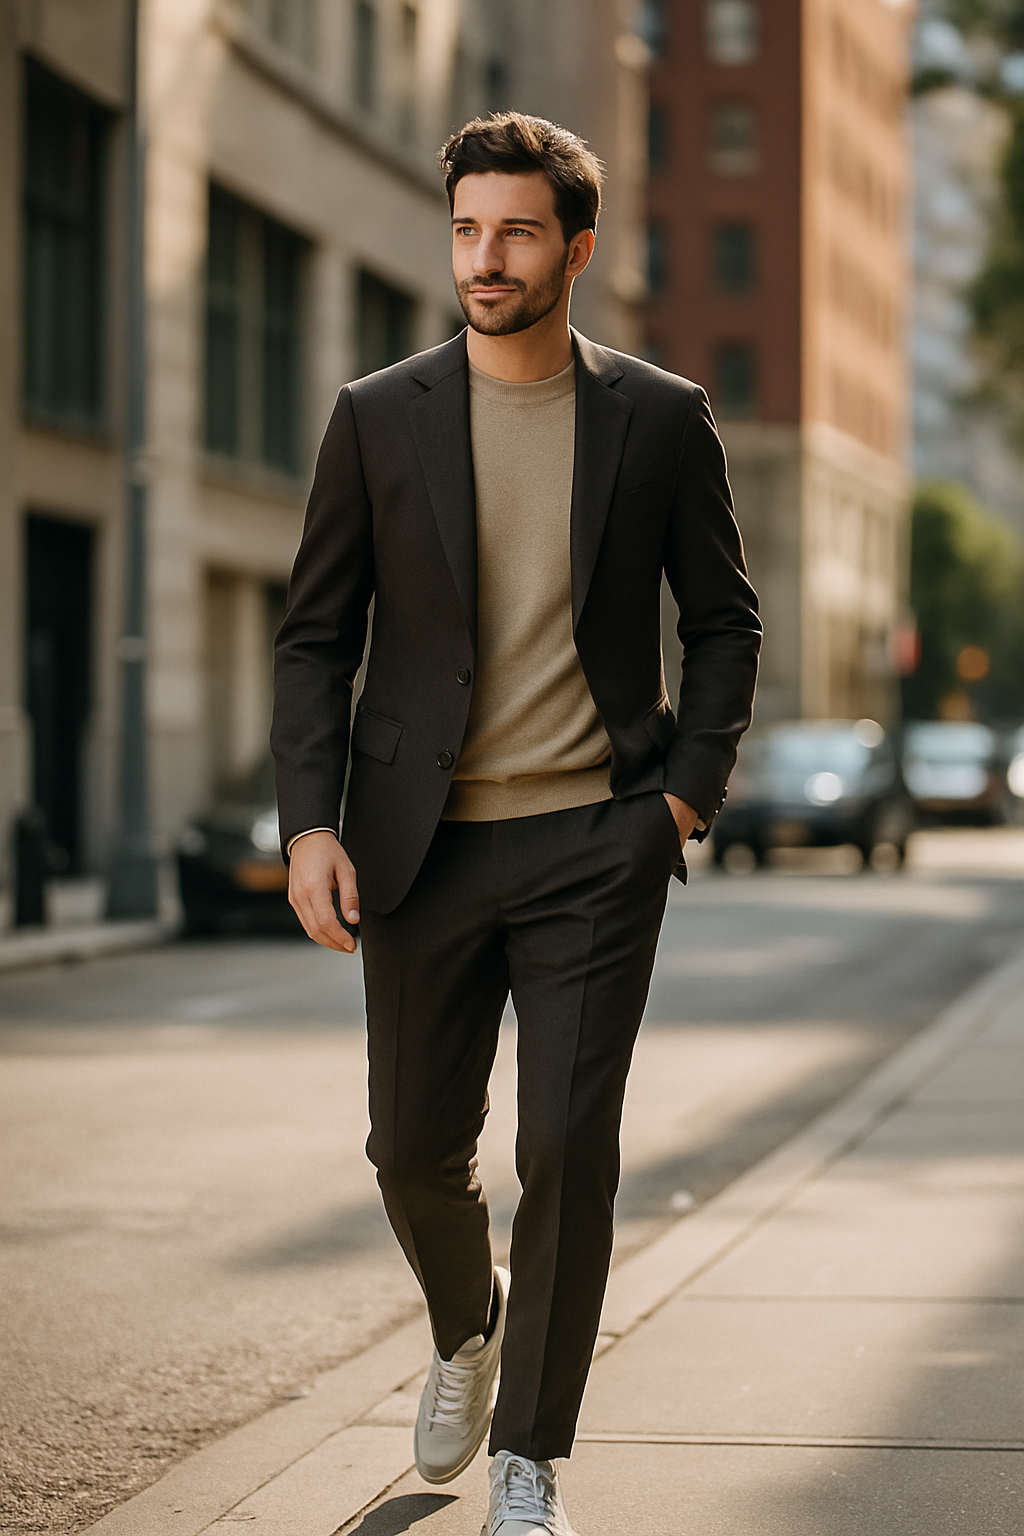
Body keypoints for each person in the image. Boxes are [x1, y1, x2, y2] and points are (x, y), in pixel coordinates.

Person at [271, 111, 761, 1536]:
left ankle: (530, 1458)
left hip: (597, 845)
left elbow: (723, 622)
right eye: (469, 231)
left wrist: (681, 795)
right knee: (410, 1151)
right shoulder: (379, 415)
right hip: (419, 845)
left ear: (577, 250)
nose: (485, 260)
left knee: (567, 1145)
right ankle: (469, 1330)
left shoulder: (659, 419)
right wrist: (311, 825)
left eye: (518, 233)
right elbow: (316, 638)